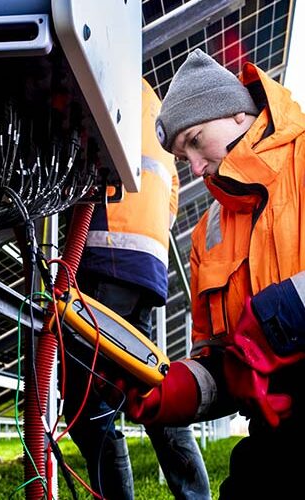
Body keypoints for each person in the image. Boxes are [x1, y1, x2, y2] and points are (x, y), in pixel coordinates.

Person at [100, 48, 305, 499]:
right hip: (274, 435)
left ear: (235, 113)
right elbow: (225, 367)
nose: (192, 167)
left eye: (194, 140)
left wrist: (283, 315)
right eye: (180, 154)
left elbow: (265, 334)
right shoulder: (206, 233)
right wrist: (174, 390)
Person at [63, 78, 211, 500]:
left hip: (103, 251)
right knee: (147, 383)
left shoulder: (101, 72)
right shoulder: (156, 105)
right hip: (144, 261)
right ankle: (194, 495)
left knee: (86, 403)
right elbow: (172, 195)